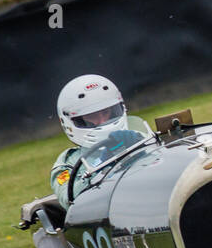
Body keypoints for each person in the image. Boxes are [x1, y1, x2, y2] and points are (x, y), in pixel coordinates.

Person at [50, 74, 152, 208]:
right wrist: (102, 167)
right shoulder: (68, 163)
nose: (102, 121)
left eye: (106, 112)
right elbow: (69, 200)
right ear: (69, 121)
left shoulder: (139, 137)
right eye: (91, 116)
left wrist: (143, 151)